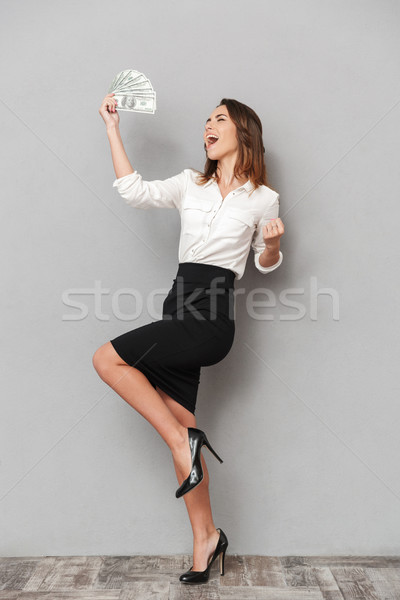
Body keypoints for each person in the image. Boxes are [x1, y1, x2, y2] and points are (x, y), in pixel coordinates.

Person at [93, 93, 285, 584]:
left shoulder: (264, 198)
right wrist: (113, 129)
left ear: (244, 131)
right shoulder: (189, 183)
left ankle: (184, 440)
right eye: (206, 121)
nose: (208, 126)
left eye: (219, 119)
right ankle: (207, 538)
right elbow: (134, 191)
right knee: (182, 429)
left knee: (106, 359)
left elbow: (265, 264)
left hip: (213, 315)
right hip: (177, 304)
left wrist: (274, 243)